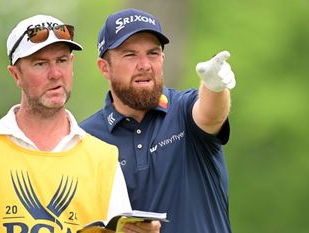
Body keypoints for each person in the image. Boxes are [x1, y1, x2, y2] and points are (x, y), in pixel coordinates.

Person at [0, 14, 161, 233]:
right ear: (15, 74)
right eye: (40, 63)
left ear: (72, 64)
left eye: (61, 61)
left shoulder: (104, 158)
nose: (55, 74)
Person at [80, 8, 236, 233]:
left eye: (153, 53)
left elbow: (210, 116)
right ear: (105, 67)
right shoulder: (85, 139)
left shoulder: (183, 108)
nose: (144, 65)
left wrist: (214, 86)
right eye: (130, 55)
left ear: (162, 58)